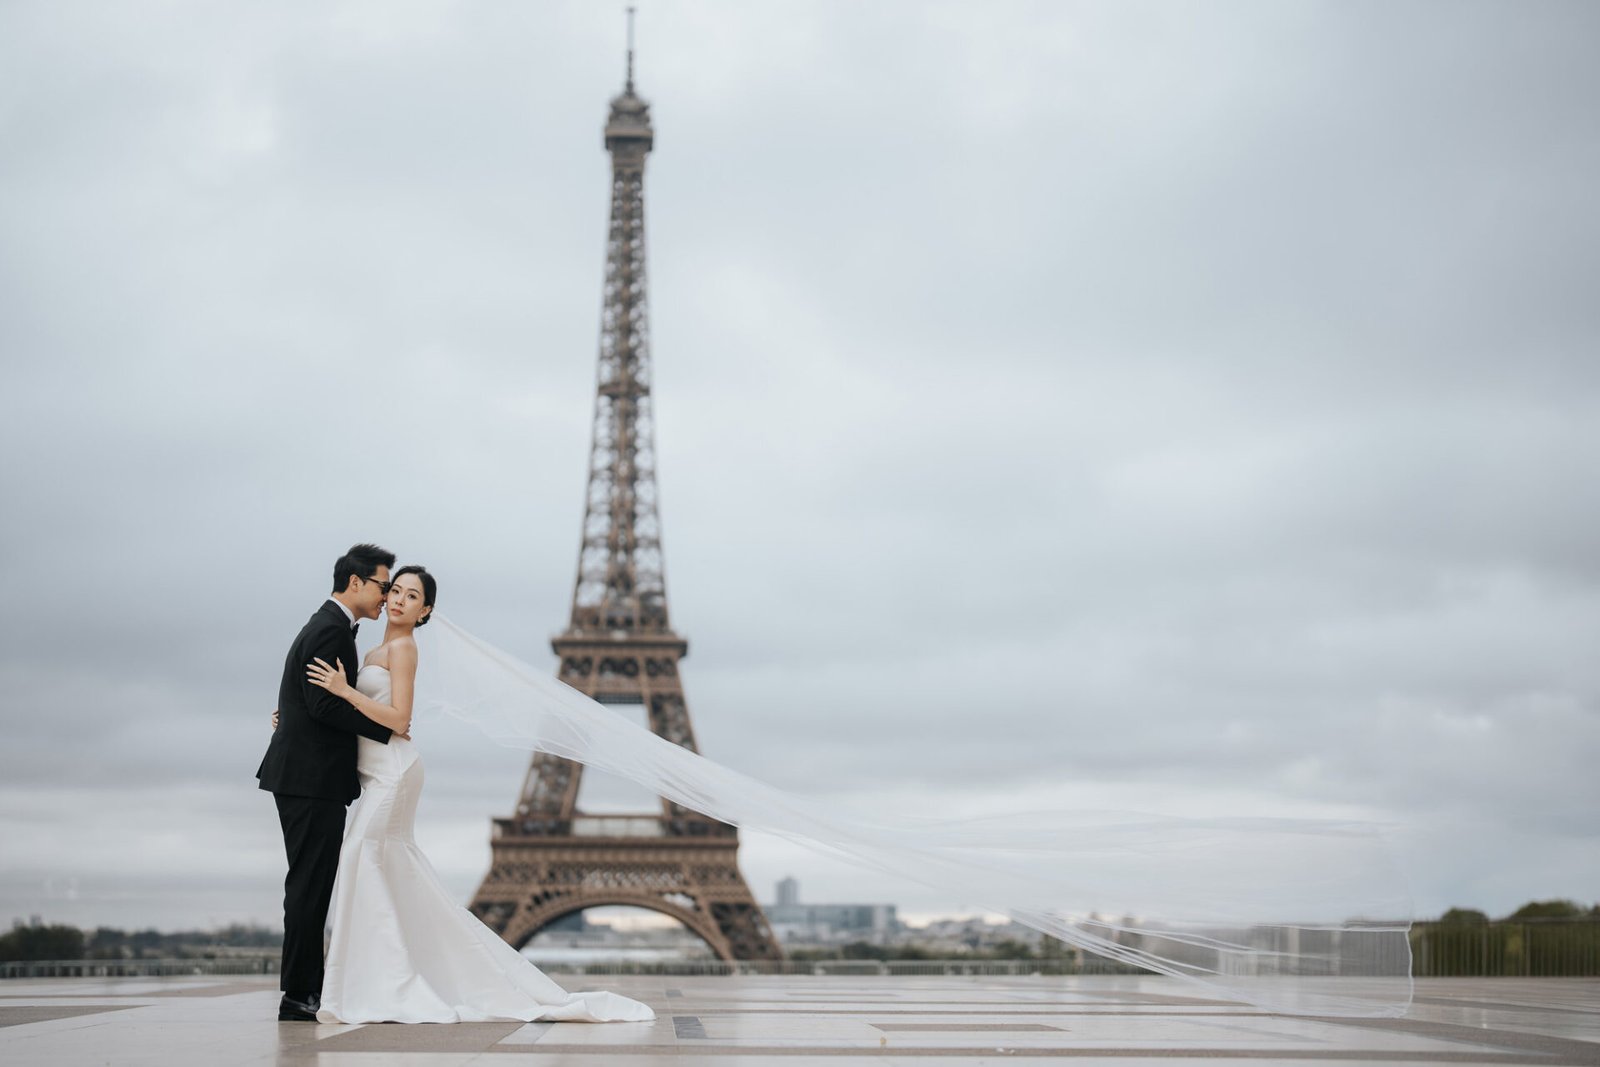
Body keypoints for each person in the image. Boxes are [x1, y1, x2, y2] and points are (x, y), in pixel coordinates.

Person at [298, 564, 653, 1025]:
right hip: (377, 773)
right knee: (386, 873)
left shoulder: (403, 648)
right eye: (396, 591)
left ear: (426, 611)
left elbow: (399, 720)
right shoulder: (374, 650)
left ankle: (384, 983)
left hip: (394, 773)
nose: (401, 600)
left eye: (413, 596)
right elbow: (355, 721)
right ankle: (381, 979)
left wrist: (346, 690)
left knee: (361, 857)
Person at [256, 543, 397, 1022]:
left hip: (304, 774)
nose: (387, 595)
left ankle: (304, 991)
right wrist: (387, 729)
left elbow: (304, 700)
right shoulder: (332, 631)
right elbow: (322, 705)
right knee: (309, 889)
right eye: (383, 585)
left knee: (309, 887)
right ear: (355, 582)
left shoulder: (327, 625)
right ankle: (299, 996)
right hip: (311, 778)